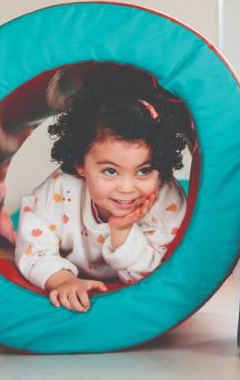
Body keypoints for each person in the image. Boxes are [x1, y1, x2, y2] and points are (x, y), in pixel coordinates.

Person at [15, 71, 192, 313]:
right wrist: (63, 279)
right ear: (80, 165)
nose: (127, 188)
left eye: (144, 170)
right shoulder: (61, 190)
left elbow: (151, 275)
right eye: (110, 171)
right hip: (68, 266)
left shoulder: (166, 201)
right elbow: (33, 248)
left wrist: (122, 231)